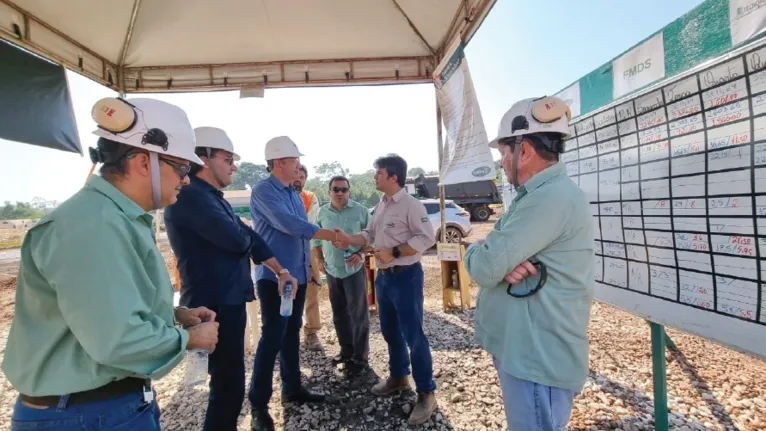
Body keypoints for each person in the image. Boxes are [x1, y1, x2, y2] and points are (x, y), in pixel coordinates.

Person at [2, 97, 220, 430]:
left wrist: (175, 316)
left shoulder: (114, 218)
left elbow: (101, 309)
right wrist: (189, 339)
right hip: (83, 415)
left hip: (96, 409)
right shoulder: (92, 226)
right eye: (182, 168)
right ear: (144, 162)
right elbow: (120, 341)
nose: (187, 179)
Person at [463, 96, 595, 431]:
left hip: (536, 358)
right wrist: (492, 255)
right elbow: (495, 259)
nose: (502, 163)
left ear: (523, 150)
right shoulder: (541, 195)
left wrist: (476, 252)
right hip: (528, 353)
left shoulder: (549, 198)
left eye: (504, 153)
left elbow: (484, 266)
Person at [163, 127, 297, 431]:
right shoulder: (191, 197)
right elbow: (238, 240)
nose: (234, 166)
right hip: (211, 307)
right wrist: (244, 233)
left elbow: (250, 237)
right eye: (227, 159)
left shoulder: (211, 197)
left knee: (230, 385)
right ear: (204, 159)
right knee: (226, 388)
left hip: (227, 302)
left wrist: (281, 270)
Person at [248, 136, 349, 431]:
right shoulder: (264, 191)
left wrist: (308, 268)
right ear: (279, 163)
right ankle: (258, 405)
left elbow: (300, 234)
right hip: (275, 278)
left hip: (297, 277)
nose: (299, 166)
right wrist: (330, 234)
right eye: (294, 161)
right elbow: (290, 225)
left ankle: (292, 388)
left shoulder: (294, 191)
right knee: (271, 338)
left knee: (291, 332)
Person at [334, 154, 438, 426]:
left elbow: (426, 238)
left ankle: (426, 392)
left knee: (414, 335)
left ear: (393, 177)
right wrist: (348, 240)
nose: (374, 177)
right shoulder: (380, 205)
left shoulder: (411, 205)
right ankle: (398, 376)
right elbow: (368, 235)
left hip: (406, 277)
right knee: (390, 332)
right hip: (384, 278)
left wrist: (393, 251)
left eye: (378, 173)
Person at [312, 175, 371, 377]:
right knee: (339, 315)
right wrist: (319, 261)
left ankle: (360, 358)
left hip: (354, 271)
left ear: (349, 191)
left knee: (359, 315)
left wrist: (360, 254)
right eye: (335, 189)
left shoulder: (361, 211)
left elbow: (372, 238)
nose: (339, 193)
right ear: (328, 191)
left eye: (343, 189)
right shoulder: (322, 212)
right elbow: (316, 241)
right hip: (333, 271)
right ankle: (346, 351)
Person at [293, 164, 323, 351]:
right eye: (296, 174)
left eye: (302, 176)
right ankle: (286, 333)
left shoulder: (309, 198)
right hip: (283, 251)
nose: (299, 179)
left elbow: (308, 225)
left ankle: (311, 331)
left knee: (312, 291)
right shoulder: (276, 195)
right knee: (283, 292)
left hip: (307, 249)